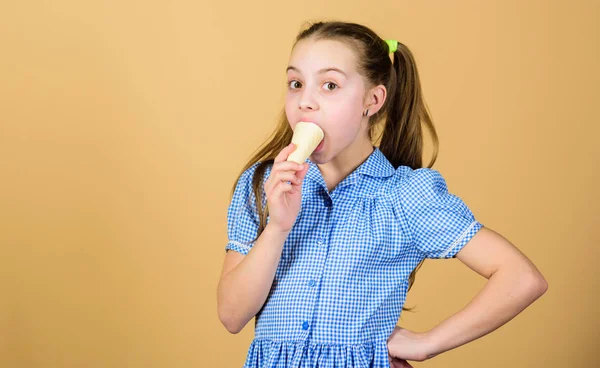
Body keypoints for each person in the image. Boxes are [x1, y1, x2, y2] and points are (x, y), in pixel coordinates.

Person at [217, 21, 548, 368]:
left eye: (330, 85)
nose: (305, 102)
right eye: (295, 84)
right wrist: (277, 229)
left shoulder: (405, 196)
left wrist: (427, 344)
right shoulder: (262, 186)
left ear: (372, 101)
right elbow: (231, 316)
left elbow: (521, 278)